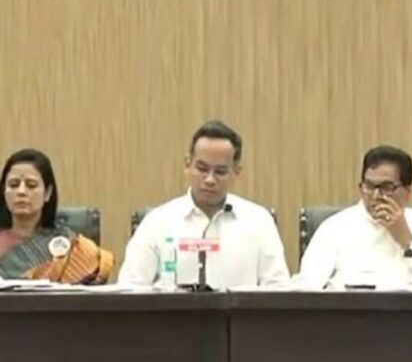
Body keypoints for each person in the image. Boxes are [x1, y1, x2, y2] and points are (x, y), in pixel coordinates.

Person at [118, 120, 290, 289]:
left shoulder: (259, 221)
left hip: (239, 309)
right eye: (202, 169)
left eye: (220, 172)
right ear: (187, 165)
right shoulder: (157, 221)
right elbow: (130, 288)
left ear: (236, 172)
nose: (209, 179)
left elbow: (278, 289)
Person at [296, 145, 412, 290]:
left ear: (407, 192)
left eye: (386, 187)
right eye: (369, 186)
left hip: (408, 308)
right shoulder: (334, 228)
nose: (376, 196)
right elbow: (306, 288)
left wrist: (407, 240)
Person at [0, 148, 114, 283]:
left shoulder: (70, 245)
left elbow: (97, 271)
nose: (21, 191)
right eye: (13, 185)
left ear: (47, 193)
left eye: (31, 185)